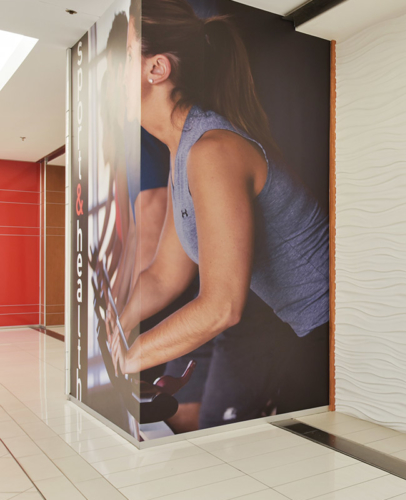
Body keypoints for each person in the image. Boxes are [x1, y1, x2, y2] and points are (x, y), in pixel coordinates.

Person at [108, 0, 330, 416]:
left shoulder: (211, 151)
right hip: (305, 329)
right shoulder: (183, 152)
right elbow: (162, 277)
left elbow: (221, 306)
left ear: (156, 69)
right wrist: (109, 327)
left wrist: (128, 358)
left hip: (334, 325)